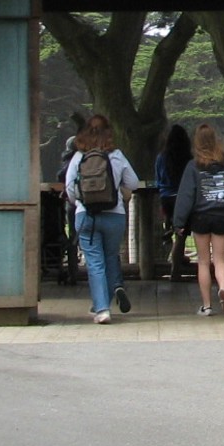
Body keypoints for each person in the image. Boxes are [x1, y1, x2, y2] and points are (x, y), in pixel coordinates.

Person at [65, 114, 140, 324]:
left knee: (95, 263)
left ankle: (102, 309)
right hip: (114, 215)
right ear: (109, 132)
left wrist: (82, 201)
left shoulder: (79, 157)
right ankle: (111, 292)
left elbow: (70, 189)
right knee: (109, 257)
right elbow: (133, 183)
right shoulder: (116, 155)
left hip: (86, 216)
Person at [173, 122, 224, 317]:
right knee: (220, 260)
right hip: (221, 216)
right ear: (215, 140)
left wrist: (179, 222)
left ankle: (207, 306)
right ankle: (223, 289)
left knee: (203, 262)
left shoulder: (193, 166)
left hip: (200, 217)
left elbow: (186, 195)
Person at [154, 124, 193, 261]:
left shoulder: (161, 157)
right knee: (181, 235)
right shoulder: (188, 158)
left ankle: (168, 228)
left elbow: (158, 179)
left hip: (166, 198)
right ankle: (176, 267)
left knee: (175, 227)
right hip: (182, 199)